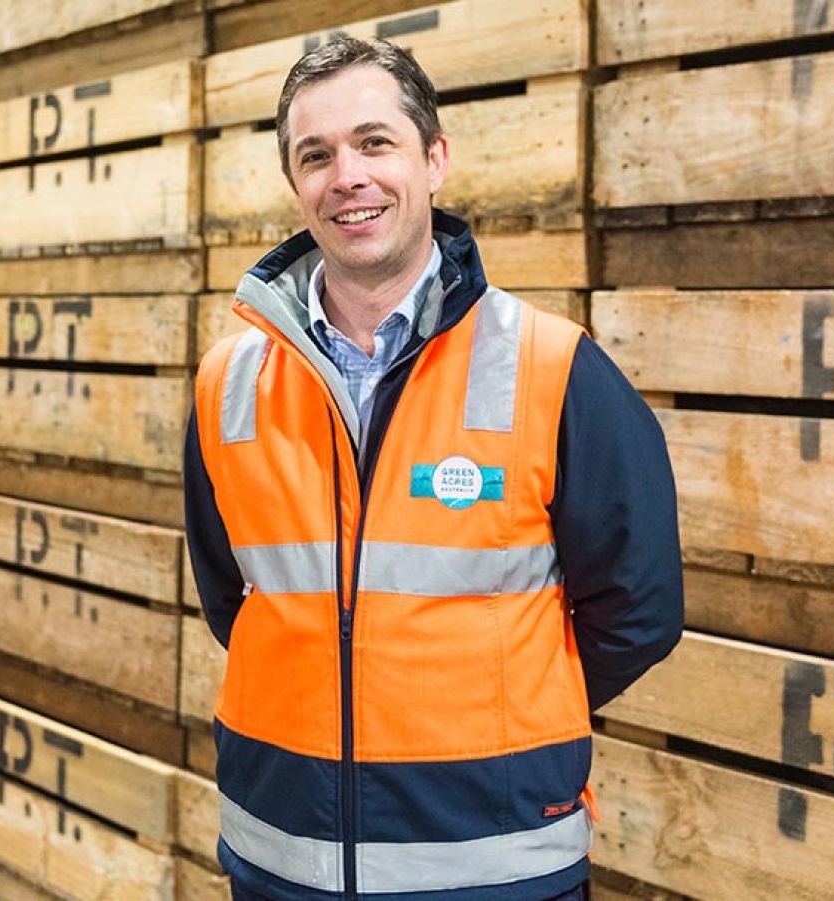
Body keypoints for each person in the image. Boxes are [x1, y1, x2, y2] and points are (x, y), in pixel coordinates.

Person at [183, 37, 683, 901]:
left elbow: (639, 609)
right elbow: (235, 599)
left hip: (492, 868)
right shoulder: (228, 383)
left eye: (375, 142)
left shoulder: (554, 369)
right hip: (280, 859)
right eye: (317, 155)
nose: (348, 175)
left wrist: (499, 717)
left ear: (434, 158)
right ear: (296, 184)